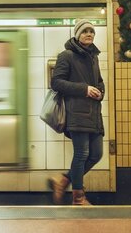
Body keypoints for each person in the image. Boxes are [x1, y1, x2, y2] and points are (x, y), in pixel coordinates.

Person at [48, 19, 105, 206]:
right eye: (85, 31)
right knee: (81, 154)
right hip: (77, 112)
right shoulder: (67, 55)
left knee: (96, 154)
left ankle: (63, 180)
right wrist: (84, 89)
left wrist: (100, 92)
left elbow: (99, 81)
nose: (89, 34)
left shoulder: (93, 56)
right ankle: (78, 197)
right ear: (77, 34)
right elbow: (56, 82)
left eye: (92, 31)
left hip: (94, 113)